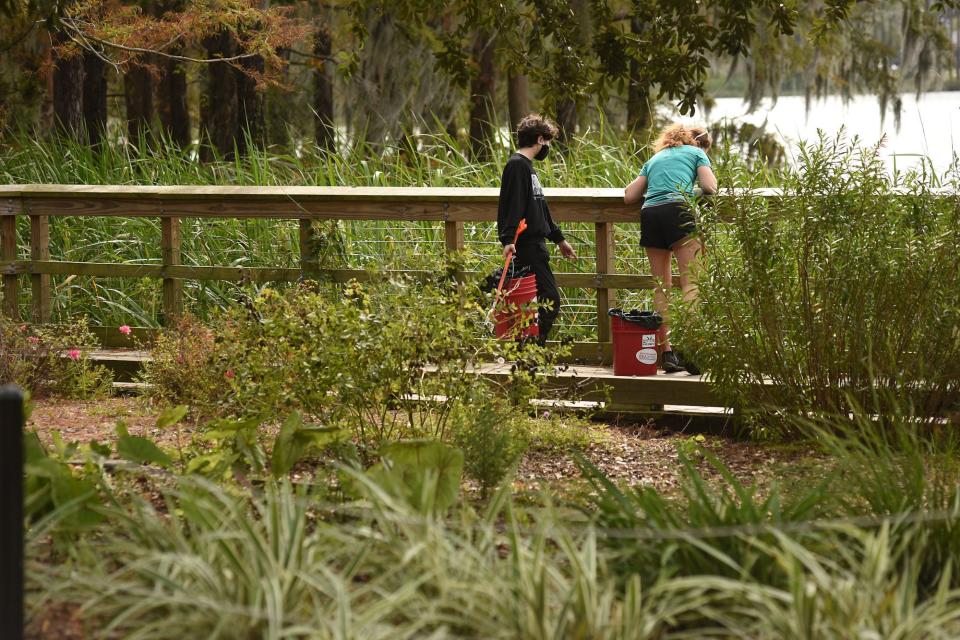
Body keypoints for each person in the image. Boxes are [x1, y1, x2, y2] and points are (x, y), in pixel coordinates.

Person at [623, 124, 717, 373]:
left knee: (661, 286)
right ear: (698, 142)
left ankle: (667, 354)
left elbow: (629, 195)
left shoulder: (655, 158)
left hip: (651, 214)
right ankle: (692, 347)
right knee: (691, 282)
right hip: (679, 211)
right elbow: (710, 187)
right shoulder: (696, 152)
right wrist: (693, 188)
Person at [498, 113, 578, 342]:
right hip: (526, 245)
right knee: (550, 299)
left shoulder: (527, 168)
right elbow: (512, 205)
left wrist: (559, 239)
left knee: (541, 299)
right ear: (540, 139)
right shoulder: (516, 166)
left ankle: (529, 346)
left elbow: (539, 208)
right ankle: (531, 347)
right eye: (548, 141)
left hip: (538, 244)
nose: (548, 146)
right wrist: (508, 240)